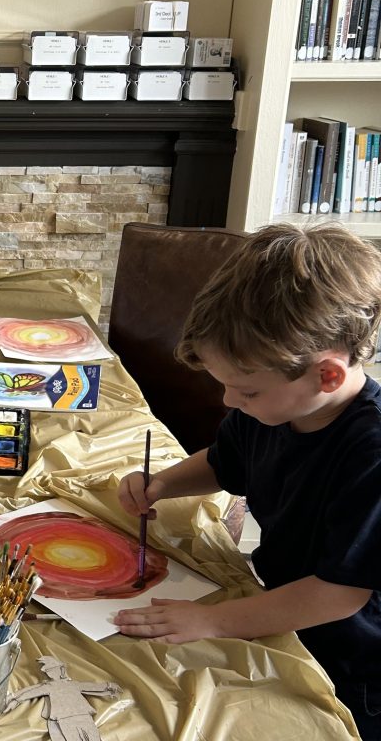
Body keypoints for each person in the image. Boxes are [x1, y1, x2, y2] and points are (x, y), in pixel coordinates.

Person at [114, 223, 381, 737]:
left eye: (246, 391)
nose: (228, 401)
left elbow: (339, 594)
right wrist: (161, 484)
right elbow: (224, 463)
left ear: (326, 375)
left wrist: (212, 620)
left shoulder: (371, 454)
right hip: (279, 611)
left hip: (353, 663)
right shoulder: (274, 409)